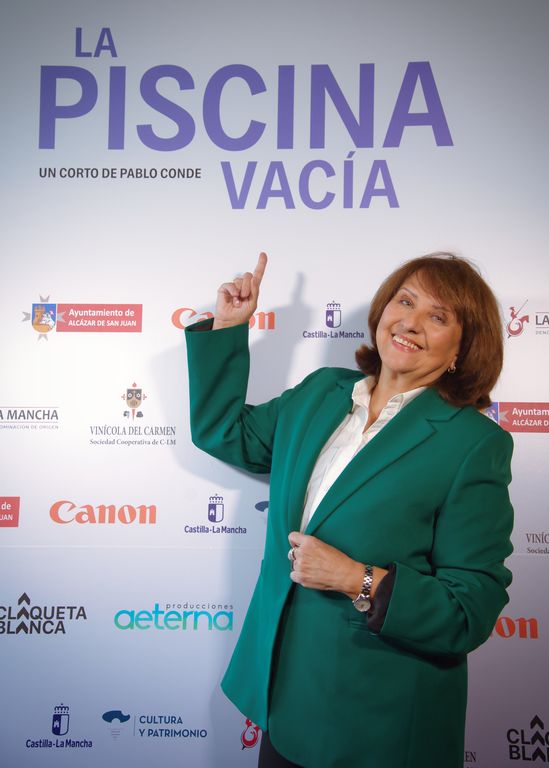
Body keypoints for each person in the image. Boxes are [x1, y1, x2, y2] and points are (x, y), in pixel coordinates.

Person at [185, 252, 513, 768]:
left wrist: (355, 579)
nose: (410, 322)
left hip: (379, 722)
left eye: (438, 316)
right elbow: (226, 433)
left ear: (462, 348)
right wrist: (229, 327)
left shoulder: (473, 443)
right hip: (287, 701)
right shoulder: (322, 392)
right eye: (404, 301)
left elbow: (470, 608)